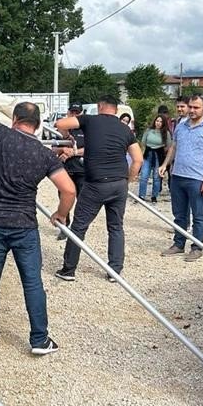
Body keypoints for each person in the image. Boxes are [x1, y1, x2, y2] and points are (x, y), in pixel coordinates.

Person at [0, 103, 75, 355]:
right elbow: (69, 189)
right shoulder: (43, 153)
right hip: (25, 226)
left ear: (15, 119)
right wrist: (60, 214)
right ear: (37, 123)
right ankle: (39, 340)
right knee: (32, 283)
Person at [54, 95, 143, 283]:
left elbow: (60, 123)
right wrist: (128, 180)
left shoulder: (89, 120)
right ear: (116, 109)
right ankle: (114, 271)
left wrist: (67, 137)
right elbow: (138, 159)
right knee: (116, 227)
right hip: (119, 183)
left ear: (99, 106)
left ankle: (68, 270)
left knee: (78, 226)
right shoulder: (125, 129)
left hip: (96, 183)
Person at [158, 94, 203, 262]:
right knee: (179, 214)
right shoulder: (180, 126)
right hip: (178, 176)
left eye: (196, 107)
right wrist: (165, 164)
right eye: (190, 107)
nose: (192, 110)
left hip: (197, 178)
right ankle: (178, 244)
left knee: (198, 215)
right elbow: (173, 147)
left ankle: (196, 247)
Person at [52, 103, 85, 239]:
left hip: (82, 170)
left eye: (77, 113)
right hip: (65, 170)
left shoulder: (86, 130)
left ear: (81, 113)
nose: (74, 115)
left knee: (82, 201)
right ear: (68, 113)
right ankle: (64, 227)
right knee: (64, 199)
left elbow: (91, 150)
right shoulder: (61, 131)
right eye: (72, 112)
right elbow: (53, 149)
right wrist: (62, 150)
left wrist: (73, 152)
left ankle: (78, 229)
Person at [138, 114, 171, 203]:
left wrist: (162, 151)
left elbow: (169, 146)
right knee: (144, 175)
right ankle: (141, 195)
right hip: (148, 153)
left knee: (156, 177)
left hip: (159, 155)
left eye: (161, 122)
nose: (158, 123)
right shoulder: (149, 131)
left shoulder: (166, 133)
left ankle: (154, 196)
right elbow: (143, 142)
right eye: (157, 121)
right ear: (154, 121)